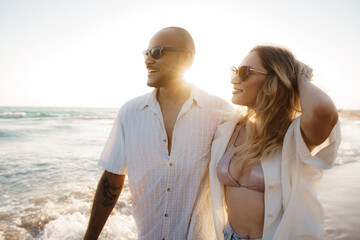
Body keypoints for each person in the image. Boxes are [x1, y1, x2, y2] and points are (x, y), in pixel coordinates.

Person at [84, 27, 232, 240]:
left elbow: (243, 174)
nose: (147, 61)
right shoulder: (131, 112)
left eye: (157, 52)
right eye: (146, 53)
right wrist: (90, 237)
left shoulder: (220, 112)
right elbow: (112, 178)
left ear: (187, 58)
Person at [209, 45, 341, 240]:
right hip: (228, 235)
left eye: (245, 72)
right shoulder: (228, 129)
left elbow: (322, 110)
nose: (234, 79)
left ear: (273, 80)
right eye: (235, 71)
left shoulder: (293, 135)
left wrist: (300, 77)